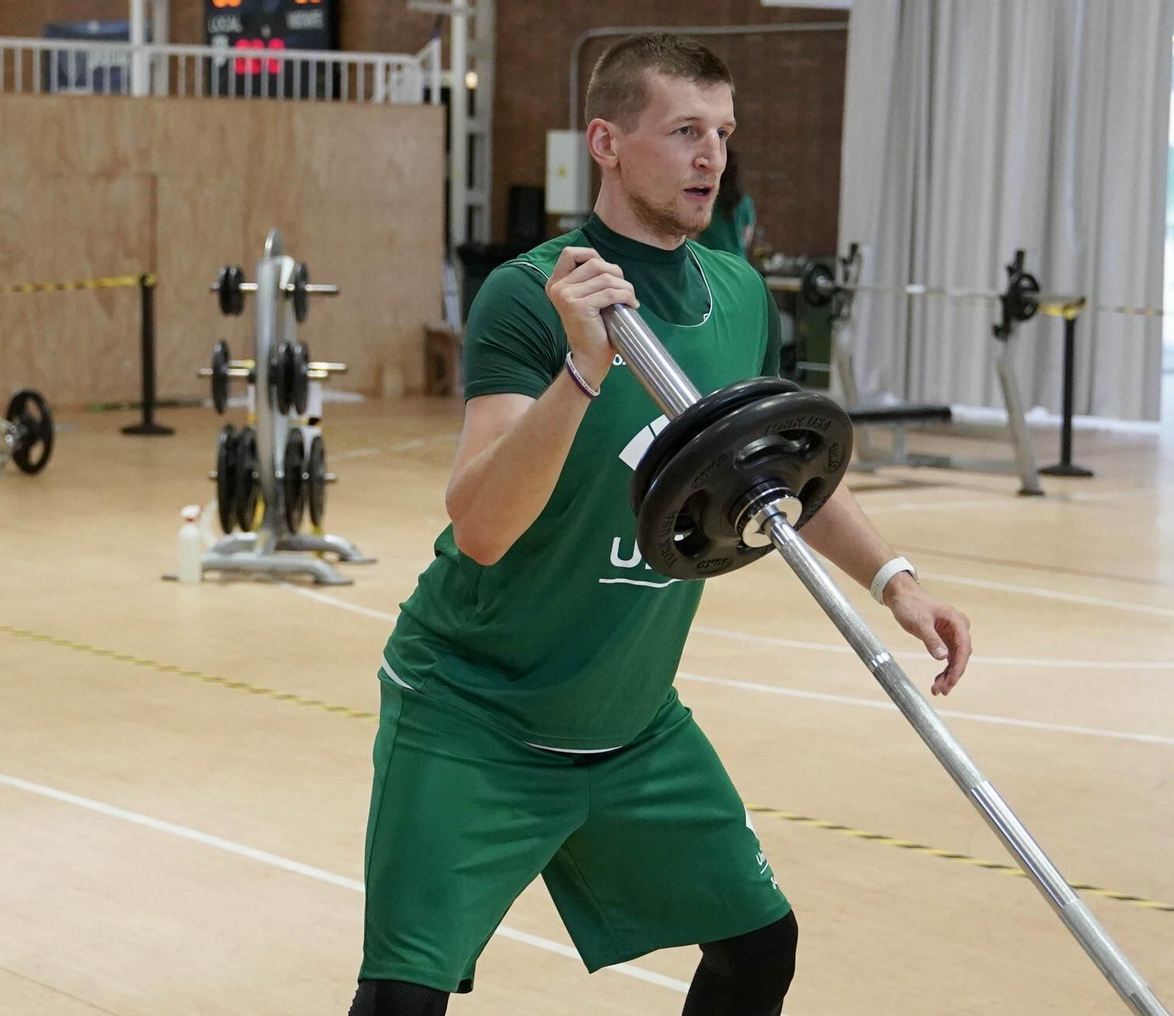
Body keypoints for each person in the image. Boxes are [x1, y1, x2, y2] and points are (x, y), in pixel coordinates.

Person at [348, 33, 973, 1016]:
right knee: (401, 1000)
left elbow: (788, 476)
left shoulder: (737, 295)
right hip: (475, 714)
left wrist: (896, 578)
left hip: (630, 723)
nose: (711, 155)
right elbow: (481, 525)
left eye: (721, 132)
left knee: (759, 947)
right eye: (684, 130)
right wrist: (583, 366)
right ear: (605, 140)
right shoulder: (531, 293)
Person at [696, 146, 756, 257]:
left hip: (707, 257)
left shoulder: (705, 197)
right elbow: (746, 236)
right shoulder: (744, 201)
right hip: (736, 260)